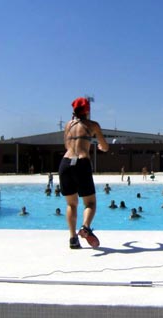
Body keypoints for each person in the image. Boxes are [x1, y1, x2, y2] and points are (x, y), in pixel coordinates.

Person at [59, 97, 109, 249]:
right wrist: (101, 147)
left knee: (71, 204)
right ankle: (85, 227)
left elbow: (67, 145)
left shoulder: (67, 125)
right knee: (90, 203)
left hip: (65, 164)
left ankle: (73, 238)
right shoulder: (92, 125)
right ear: (87, 110)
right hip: (81, 163)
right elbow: (105, 146)